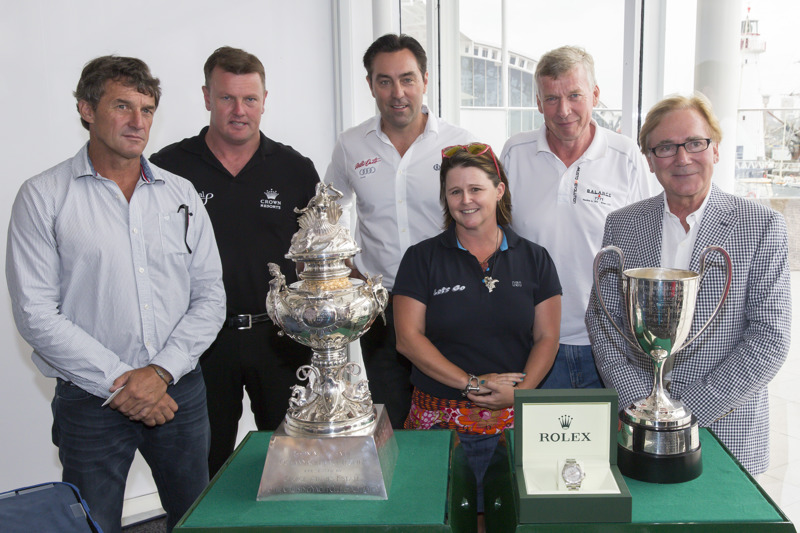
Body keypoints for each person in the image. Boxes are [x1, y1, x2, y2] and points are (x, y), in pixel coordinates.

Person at [5, 56, 226, 533]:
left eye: (147, 110)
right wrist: (124, 383)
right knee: (94, 524)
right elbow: (35, 313)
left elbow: (210, 296)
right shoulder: (43, 196)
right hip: (91, 400)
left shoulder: (181, 194)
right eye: (122, 106)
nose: (137, 122)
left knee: (196, 521)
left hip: (178, 391)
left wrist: (160, 372)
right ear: (87, 110)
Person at [586, 93, 791, 475]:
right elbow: (602, 320)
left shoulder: (762, 226)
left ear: (716, 149)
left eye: (695, 143)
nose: (682, 158)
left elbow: (770, 337)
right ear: (649, 160)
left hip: (726, 429)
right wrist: (643, 403)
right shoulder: (622, 224)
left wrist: (684, 410)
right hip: (638, 428)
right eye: (665, 147)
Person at [150, 46, 319, 476]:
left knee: (293, 461)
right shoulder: (167, 168)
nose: (239, 110)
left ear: (264, 101)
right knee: (200, 465)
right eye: (227, 98)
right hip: (200, 343)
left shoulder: (296, 170)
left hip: (279, 339)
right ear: (207, 97)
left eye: (249, 99)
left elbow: (316, 257)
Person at [393, 143, 561, 518]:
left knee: (511, 520)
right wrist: (469, 383)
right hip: (440, 430)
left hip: (515, 428)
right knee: (442, 519)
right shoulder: (421, 258)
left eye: (475, 189)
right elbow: (408, 339)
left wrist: (521, 394)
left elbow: (547, 337)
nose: (466, 200)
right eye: (455, 191)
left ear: (499, 191)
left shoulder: (535, 258)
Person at [324, 34, 476, 428]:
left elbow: (483, 215)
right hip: (380, 307)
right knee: (392, 418)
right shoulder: (351, 145)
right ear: (370, 85)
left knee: (452, 415)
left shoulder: (459, 144)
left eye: (407, 79)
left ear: (425, 79)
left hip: (450, 299)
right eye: (385, 81)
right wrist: (348, 270)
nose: (398, 93)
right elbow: (328, 212)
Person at [500, 46, 659, 389]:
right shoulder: (515, 153)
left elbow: (646, 250)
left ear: (595, 95)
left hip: (611, 342)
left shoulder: (625, 156)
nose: (564, 110)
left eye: (575, 95)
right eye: (551, 99)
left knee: (610, 428)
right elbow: (496, 241)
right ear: (538, 103)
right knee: (539, 427)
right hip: (533, 342)